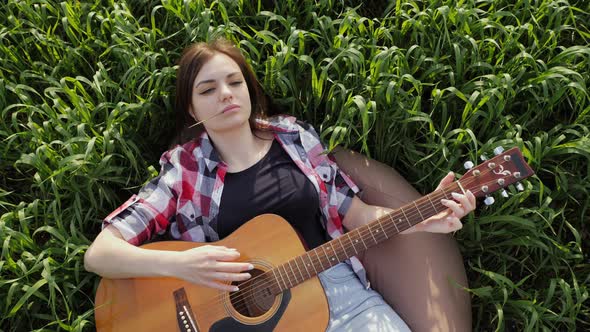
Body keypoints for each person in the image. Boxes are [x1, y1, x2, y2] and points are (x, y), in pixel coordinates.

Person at [84, 38, 476, 331]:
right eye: (207, 89)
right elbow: (101, 254)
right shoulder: (183, 172)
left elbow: (354, 212)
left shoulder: (296, 139)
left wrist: (423, 217)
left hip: (343, 297)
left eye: (234, 83)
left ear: (248, 89)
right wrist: (185, 264)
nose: (225, 95)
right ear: (192, 108)